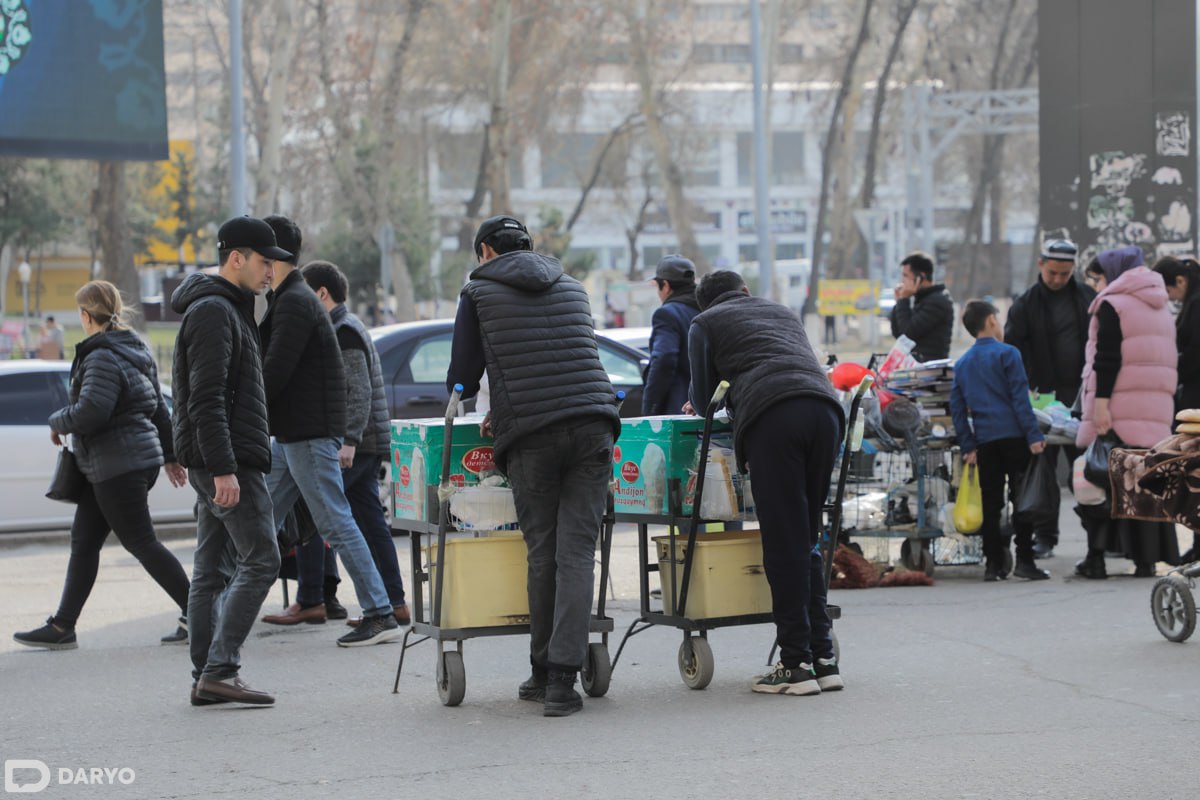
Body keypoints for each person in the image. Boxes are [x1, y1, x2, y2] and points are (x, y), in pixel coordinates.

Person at [446, 214, 620, 717]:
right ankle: (562, 680)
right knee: (576, 553)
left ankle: (546, 672)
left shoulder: (477, 293)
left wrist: (476, 410)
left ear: (484, 252)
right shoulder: (572, 287)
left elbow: (463, 375)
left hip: (533, 436)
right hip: (593, 424)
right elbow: (565, 357)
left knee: (542, 552)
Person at [685, 270, 845, 696]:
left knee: (782, 542)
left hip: (775, 419)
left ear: (707, 303)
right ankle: (823, 658)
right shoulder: (781, 311)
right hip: (826, 413)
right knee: (805, 537)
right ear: (744, 291)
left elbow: (705, 401)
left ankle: (794, 665)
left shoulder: (704, 323)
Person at [13, 281, 191, 651]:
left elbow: (93, 410)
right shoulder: (134, 347)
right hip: (118, 464)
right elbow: (159, 407)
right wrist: (171, 455)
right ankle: (63, 626)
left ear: (85, 315)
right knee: (84, 541)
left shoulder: (101, 356)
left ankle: (202, 614)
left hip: (118, 465)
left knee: (142, 543)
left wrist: (57, 420)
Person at [256, 215, 400, 647]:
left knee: (338, 524)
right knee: (262, 517)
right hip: (293, 434)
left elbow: (284, 373)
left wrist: (350, 440)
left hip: (310, 433)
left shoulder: (302, 305)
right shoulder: (287, 300)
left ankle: (380, 610)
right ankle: (225, 603)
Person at [171, 216, 286, 706]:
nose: (270, 272)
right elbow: (207, 397)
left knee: (211, 569)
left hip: (221, 456)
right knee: (262, 559)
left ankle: (206, 675)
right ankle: (220, 669)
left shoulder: (226, 307)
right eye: (264, 261)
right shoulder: (216, 311)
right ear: (236, 258)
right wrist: (223, 469)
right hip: (227, 459)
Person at [301, 260, 409, 627]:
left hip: (356, 443)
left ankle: (316, 598)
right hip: (365, 440)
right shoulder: (347, 325)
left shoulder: (342, 330)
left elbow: (358, 392)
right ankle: (393, 601)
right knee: (368, 521)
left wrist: (348, 440)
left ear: (321, 293)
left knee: (323, 515)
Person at [1075, 246, 1179, 579]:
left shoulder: (1113, 304)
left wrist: (1101, 407)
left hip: (1120, 407)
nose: (1096, 284)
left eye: (1098, 277)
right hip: (1156, 411)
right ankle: (1146, 560)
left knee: (1101, 480)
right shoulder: (1160, 305)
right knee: (1144, 485)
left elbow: (1106, 359)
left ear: (1114, 274)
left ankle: (1096, 559)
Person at [1004, 238, 1096, 558]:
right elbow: (1012, 352)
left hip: (1081, 400)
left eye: (1065, 274)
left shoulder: (1087, 298)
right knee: (1042, 473)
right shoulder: (1025, 304)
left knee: (1084, 472)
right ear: (1041, 264)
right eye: (1053, 272)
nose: (1057, 279)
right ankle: (1045, 536)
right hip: (1039, 401)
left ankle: (1096, 541)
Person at [950, 300, 1050, 582]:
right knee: (1022, 500)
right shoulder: (1009, 354)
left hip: (985, 441)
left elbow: (957, 409)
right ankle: (1025, 561)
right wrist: (1033, 436)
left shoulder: (963, 363)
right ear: (992, 320)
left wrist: (968, 445)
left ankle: (993, 565)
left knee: (991, 503)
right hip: (1015, 437)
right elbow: (1020, 399)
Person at [1151, 254, 1200, 561]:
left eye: (1169, 291)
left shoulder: (1195, 305)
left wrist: (1173, 370)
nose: (1169, 299)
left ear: (1180, 281)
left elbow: (1193, 354)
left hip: (1196, 399)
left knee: (1195, 472)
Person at [642, 255, 701, 415]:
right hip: (707, 408)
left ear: (666, 286)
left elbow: (664, 359)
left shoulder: (667, 314)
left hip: (678, 410)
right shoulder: (707, 308)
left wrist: (650, 409)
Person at [889, 251, 954, 361]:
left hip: (931, 370)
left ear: (920, 277)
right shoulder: (922, 299)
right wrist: (899, 301)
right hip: (917, 367)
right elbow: (899, 334)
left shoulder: (937, 301)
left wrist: (904, 299)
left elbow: (908, 334)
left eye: (906, 276)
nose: (902, 281)